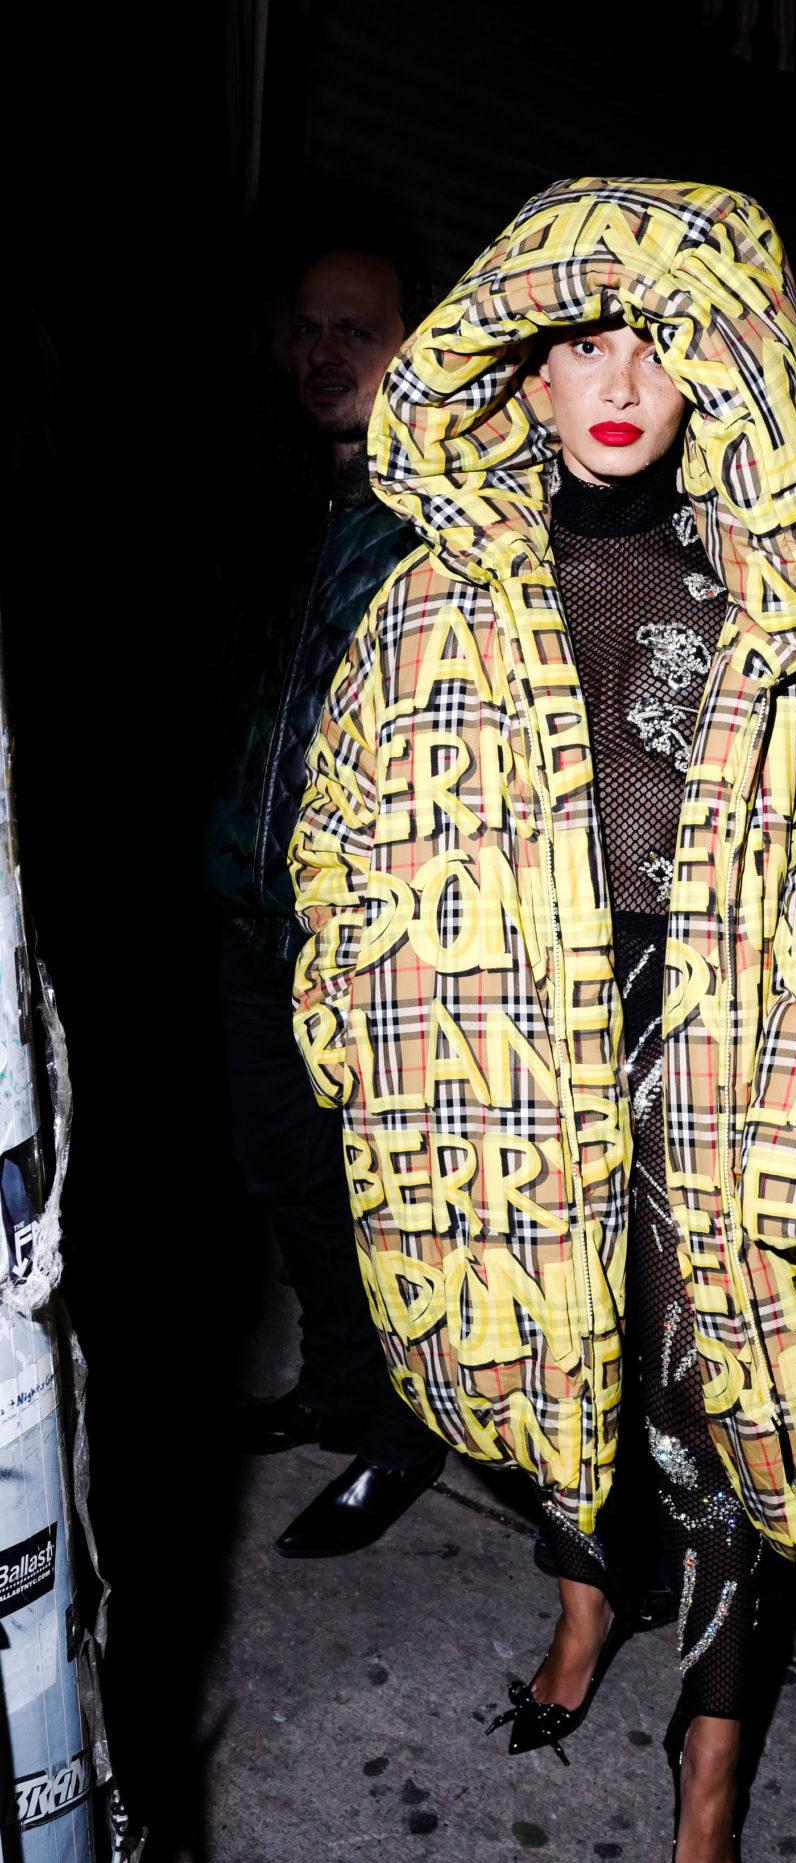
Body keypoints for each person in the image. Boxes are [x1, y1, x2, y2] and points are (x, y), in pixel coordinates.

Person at [289, 176, 796, 1863]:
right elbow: (341, 841)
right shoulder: (429, 609)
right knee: (549, 1367)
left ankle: (712, 1757)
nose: (618, 382)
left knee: (728, 1409)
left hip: (723, 1069)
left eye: (662, 346)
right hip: (510, 1061)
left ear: (721, 374)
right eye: (583, 340)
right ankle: (584, 1605)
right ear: (521, 363)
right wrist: (360, 1033)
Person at [204, 236, 446, 1556]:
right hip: (256, 917)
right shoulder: (296, 503)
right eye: (309, 326)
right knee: (285, 1173)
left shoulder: (435, 521)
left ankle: (405, 1432)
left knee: (384, 1193)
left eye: (357, 329)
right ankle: (342, 1387)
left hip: (366, 940)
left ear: (415, 345)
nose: (324, 352)